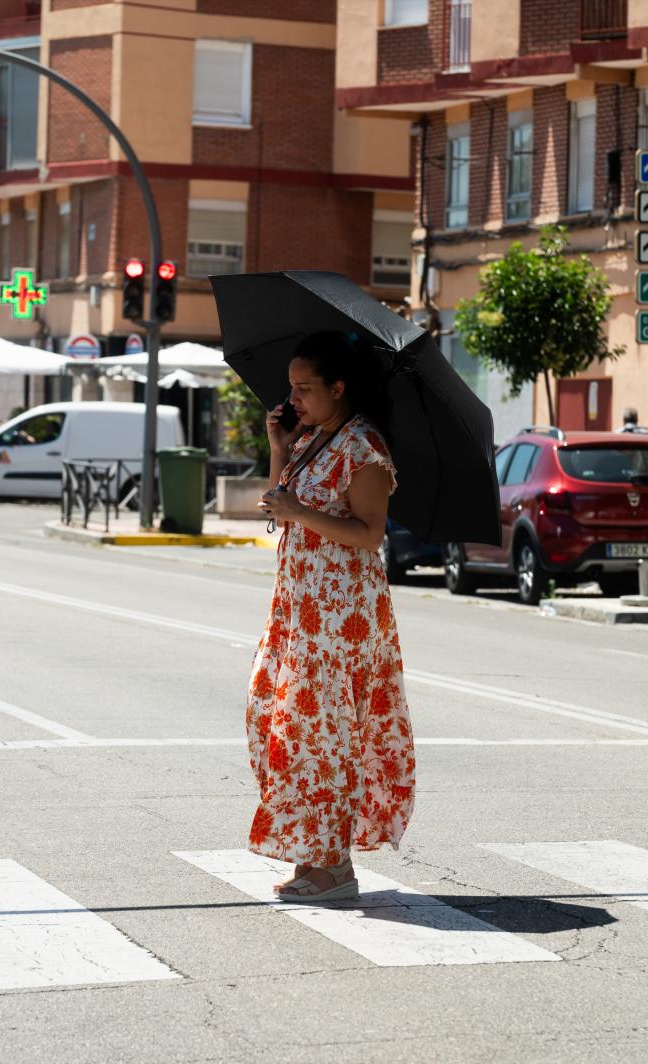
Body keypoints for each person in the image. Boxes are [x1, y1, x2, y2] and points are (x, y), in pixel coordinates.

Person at [250, 331, 414, 903]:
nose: (292, 398)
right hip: (299, 609)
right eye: (290, 387)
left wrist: (298, 509)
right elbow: (284, 507)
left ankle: (334, 865)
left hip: (341, 619)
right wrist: (278, 448)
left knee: (322, 736)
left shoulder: (364, 447)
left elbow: (369, 536)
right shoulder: (314, 438)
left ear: (338, 388)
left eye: (304, 388)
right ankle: (312, 854)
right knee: (274, 721)